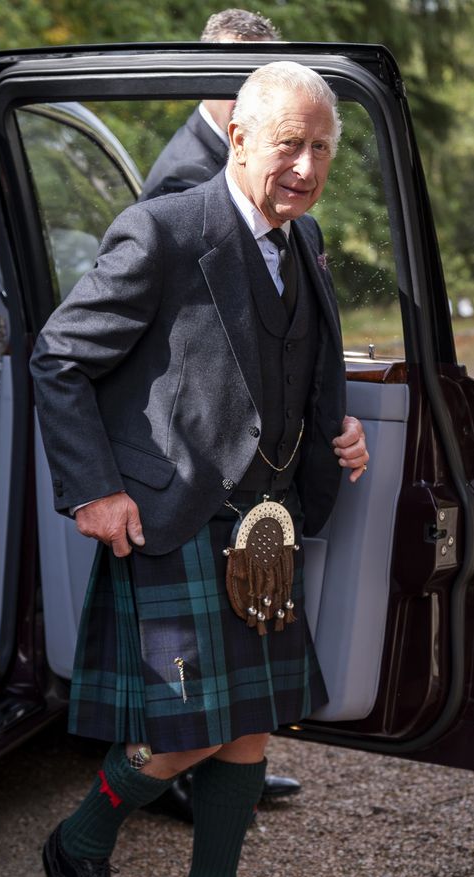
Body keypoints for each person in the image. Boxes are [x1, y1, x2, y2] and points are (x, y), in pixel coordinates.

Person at [31, 60, 369, 877]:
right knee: (188, 730)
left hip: (268, 523)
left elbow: (297, 366)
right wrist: (95, 489)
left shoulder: (302, 242)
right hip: (177, 519)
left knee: (251, 723)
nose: (305, 165)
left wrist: (333, 431)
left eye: (322, 148)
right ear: (240, 137)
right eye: (289, 144)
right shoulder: (165, 231)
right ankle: (79, 840)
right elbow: (59, 358)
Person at [142, 9, 299, 818]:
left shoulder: (262, 160)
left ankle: (219, 765)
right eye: (231, 74)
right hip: (197, 454)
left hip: (244, 461)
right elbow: (203, 339)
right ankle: (175, 776)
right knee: (188, 664)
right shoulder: (183, 180)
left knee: (238, 667)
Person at [140, 9, 280, 201]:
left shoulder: (240, 149)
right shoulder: (185, 178)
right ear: (205, 77)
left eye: (261, 78)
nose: (250, 94)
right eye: (234, 77)